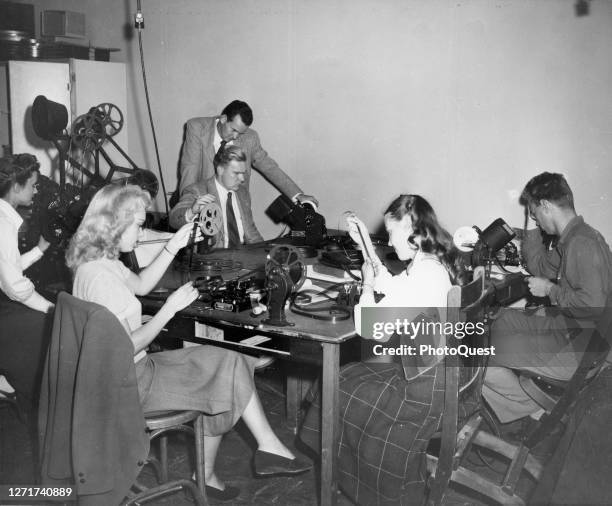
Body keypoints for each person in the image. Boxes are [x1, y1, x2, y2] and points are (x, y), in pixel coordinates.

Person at [66, 184, 311, 501]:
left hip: (127, 375)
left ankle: (257, 452)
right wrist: (169, 310)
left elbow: (140, 285)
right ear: (114, 224)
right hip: (130, 385)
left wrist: (173, 245)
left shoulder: (97, 263)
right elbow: (124, 349)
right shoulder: (102, 279)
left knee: (229, 359)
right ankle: (244, 457)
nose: (142, 234)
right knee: (226, 369)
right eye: (138, 225)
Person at [300, 194, 466, 505]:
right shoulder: (430, 264)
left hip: (422, 392)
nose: (388, 240)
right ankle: (342, 464)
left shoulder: (424, 275)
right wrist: (365, 246)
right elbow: (391, 285)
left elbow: (368, 327)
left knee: (339, 388)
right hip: (436, 378)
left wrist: (364, 286)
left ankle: (338, 471)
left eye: (391, 232)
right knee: (346, 379)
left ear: (410, 228)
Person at [482, 172, 612, 423]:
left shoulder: (582, 244)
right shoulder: (574, 237)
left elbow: (592, 306)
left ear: (546, 206)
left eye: (535, 214)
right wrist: (531, 223)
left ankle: (531, 408)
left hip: (576, 351)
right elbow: (541, 267)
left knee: (476, 355)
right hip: (571, 331)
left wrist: (550, 290)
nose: (535, 221)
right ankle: (524, 403)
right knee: (499, 321)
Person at [176, 99, 318, 207]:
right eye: (233, 130)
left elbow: (269, 167)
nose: (236, 137)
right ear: (223, 119)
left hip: (234, 207)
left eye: (241, 132)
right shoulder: (197, 128)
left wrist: (298, 195)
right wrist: (187, 208)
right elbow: (190, 169)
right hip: (201, 202)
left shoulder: (250, 138)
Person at [0, 153, 53, 420]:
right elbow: (14, 287)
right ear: (16, 186)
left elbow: (6, 267)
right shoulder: (4, 222)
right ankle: (35, 409)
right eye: (32, 185)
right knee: (43, 330)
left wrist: (38, 250)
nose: (35, 190)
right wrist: (52, 309)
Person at [169, 145, 263, 247]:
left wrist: (266, 252)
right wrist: (192, 211)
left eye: (243, 173)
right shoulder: (197, 190)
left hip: (242, 255)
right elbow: (174, 220)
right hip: (212, 257)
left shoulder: (243, 193)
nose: (242, 179)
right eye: (236, 173)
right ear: (220, 170)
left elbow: (252, 233)